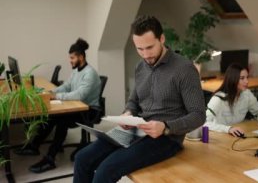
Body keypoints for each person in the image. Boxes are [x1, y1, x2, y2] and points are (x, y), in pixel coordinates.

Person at [73, 15, 206, 183]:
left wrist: (165, 126)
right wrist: (127, 113)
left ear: (162, 38)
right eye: (139, 49)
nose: (145, 54)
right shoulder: (140, 67)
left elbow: (198, 115)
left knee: (106, 170)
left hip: (166, 137)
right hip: (136, 130)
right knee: (82, 159)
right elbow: (134, 101)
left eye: (150, 47)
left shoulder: (185, 69)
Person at [14, 38, 101, 173]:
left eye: (72, 58)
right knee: (52, 116)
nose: (70, 60)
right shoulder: (77, 70)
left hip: (88, 110)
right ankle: (34, 146)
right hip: (78, 106)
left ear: (81, 57)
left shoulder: (90, 73)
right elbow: (66, 86)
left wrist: (56, 96)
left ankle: (50, 159)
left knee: (62, 120)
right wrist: (50, 92)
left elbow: (80, 95)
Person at [204, 64, 258, 137]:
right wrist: (228, 129)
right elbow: (204, 123)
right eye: (242, 78)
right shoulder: (217, 99)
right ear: (233, 79)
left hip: (237, 135)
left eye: (247, 77)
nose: (247, 81)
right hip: (220, 136)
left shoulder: (247, 94)